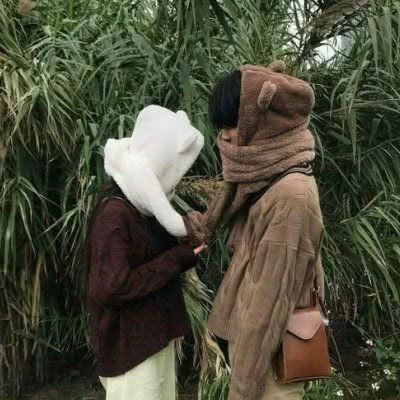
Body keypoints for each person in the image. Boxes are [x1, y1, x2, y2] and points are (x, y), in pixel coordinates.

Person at [184, 61, 325, 400]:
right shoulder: (266, 178)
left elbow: (267, 307)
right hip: (261, 358)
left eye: (231, 124)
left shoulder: (290, 197)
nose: (224, 136)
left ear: (262, 123)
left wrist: (242, 390)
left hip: (269, 367)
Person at [85, 105, 205, 400]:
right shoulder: (115, 214)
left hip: (153, 341)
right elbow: (114, 286)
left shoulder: (141, 209)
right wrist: (177, 258)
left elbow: (153, 259)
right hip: (132, 351)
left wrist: (189, 241)